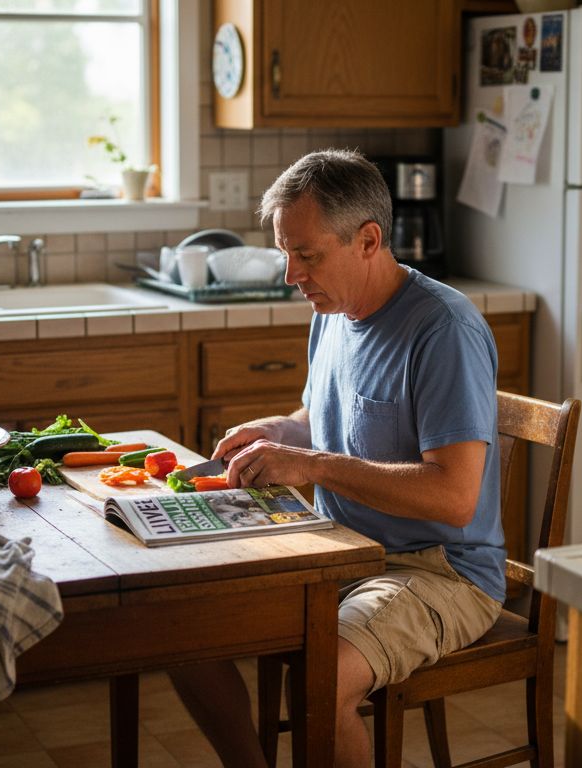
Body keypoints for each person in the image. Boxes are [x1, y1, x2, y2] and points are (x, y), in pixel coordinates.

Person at [166, 149, 505, 767]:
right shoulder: (334, 310)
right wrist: (277, 432)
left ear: (369, 240)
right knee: (184, 628)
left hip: (437, 571)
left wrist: (315, 466)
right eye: (285, 254)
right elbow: (317, 420)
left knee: (320, 676)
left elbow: (455, 497)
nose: (292, 274)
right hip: (336, 551)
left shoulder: (442, 329)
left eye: (308, 255)